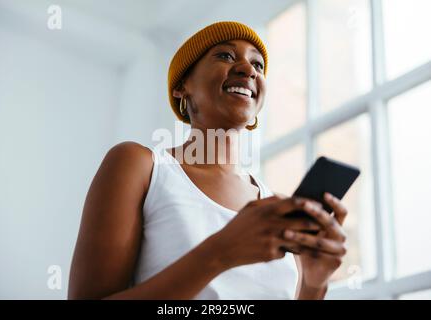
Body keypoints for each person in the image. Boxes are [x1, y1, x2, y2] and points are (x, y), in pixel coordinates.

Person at [68, 21, 348, 300]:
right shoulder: (141, 166)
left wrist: (313, 284)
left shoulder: (278, 208)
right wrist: (222, 251)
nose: (248, 69)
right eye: (225, 55)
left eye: (258, 65)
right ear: (182, 87)